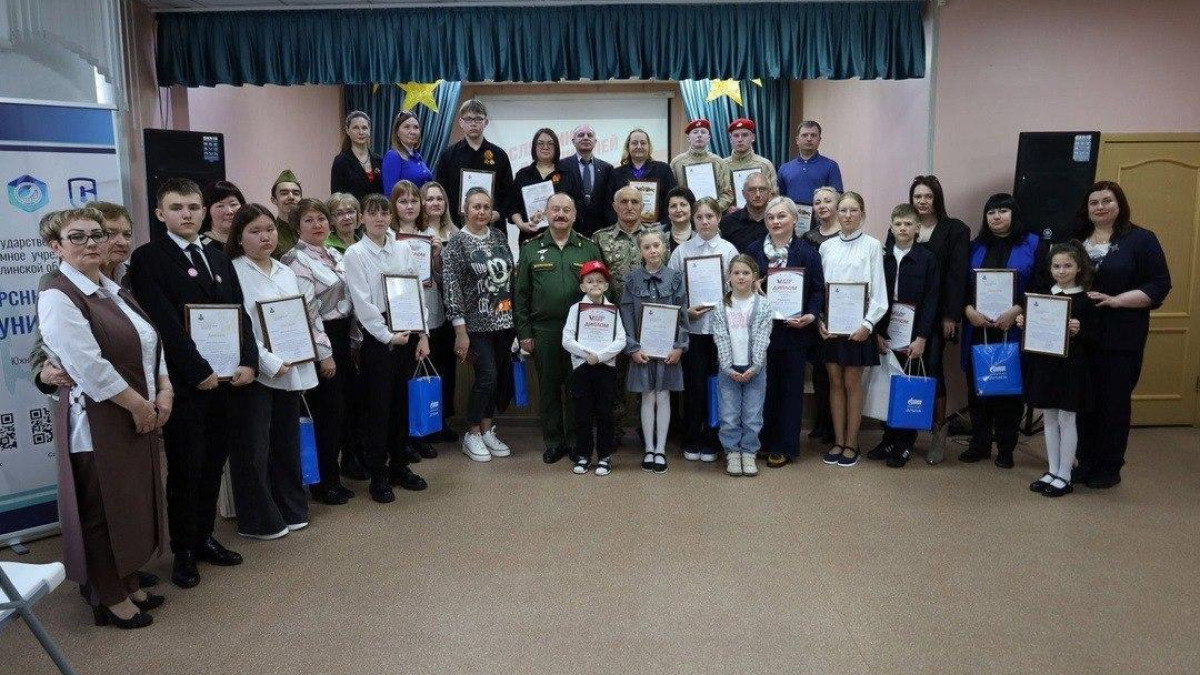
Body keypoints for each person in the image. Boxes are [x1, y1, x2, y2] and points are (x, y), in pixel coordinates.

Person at [37, 207, 168, 629]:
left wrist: (162, 390)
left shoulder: (110, 288)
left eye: (97, 234)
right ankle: (108, 595)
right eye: (77, 237)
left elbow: (148, 342)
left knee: (127, 504)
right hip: (97, 419)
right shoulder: (58, 294)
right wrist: (139, 405)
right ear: (56, 246)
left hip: (133, 409)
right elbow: (88, 366)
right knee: (101, 510)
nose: (92, 243)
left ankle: (126, 580)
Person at [128, 178, 257, 589]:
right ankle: (183, 549)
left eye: (193, 207)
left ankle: (204, 537)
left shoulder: (218, 257)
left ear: (203, 212)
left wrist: (249, 360)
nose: (187, 214)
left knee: (214, 463)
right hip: (187, 384)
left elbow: (239, 313)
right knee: (186, 468)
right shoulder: (148, 258)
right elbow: (163, 323)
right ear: (159, 213)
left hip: (225, 381)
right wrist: (197, 370)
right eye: (177, 207)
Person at [226, 204, 327, 539]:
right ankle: (258, 519)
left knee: (286, 442)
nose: (265, 236)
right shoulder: (233, 271)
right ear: (240, 237)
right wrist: (268, 361)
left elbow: (299, 317)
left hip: (292, 367)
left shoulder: (285, 270)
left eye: (269, 229)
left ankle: (291, 507)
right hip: (257, 371)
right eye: (255, 231)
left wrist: (304, 355)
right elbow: (240, 326)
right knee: (254, 448)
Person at [1073, 181, 1171, 489]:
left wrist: (1117, 301)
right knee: (1083, 402)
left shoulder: (1141, 239)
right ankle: (1083, 461)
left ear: (1120, 204)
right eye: (1094, 202)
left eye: (1107, 201)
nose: (1100, 207)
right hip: (1080, 335)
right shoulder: (1076, 241)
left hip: (1120, 336)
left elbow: (1159, 284)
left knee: (1112, 403)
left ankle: (1108, 467)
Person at [343, 193, 431, 502]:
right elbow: (362, 303)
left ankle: (399, 466)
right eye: (372, 213)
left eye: (383, 212)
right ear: (362, 218)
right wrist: (385, 336)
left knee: (400, 404)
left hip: (406, 329)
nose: (379, 218)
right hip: (377, 337)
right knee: (378, 408)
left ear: (390, 216)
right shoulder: (355, 254)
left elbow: (415, 291)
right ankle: (378, 474)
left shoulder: (403, 248)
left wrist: (422, 334)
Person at [887, 175, 971, 464]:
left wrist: (951, 315)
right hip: (900, 318)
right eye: (917, 196)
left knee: (932, 370)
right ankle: (900, 433)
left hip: (935, 315)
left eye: (928, 196)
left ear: (937, 199)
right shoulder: (901, 226)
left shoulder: (954, 229)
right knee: (900, 372)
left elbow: (956, 275)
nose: (922, 201)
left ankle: (937, 433)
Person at [514, 192, 603, 464]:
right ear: (546, 214)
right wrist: (525, 333)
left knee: (578, 388)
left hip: (581, 332)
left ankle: (576, 442)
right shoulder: (531, 248)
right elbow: (521, 295)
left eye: (566, 210)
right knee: (549, 389)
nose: (561, 214)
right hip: (545, 331)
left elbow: (602, 290)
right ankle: (554, 442)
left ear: (575, 215)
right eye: (555, 209)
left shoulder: (588, 248)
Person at [280, 198, 357, 505]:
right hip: (320, 342)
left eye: (322, 219)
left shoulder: (334, 253)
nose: (317, 225)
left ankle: (334, 475)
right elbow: (306, 311)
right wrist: (324, 354)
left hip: (342, 337)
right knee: (327, 414)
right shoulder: (295, 259)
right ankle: (323, 483)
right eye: (309, 220)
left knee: (342, 412)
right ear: (297, 226)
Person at [960, 193, 1044, 468]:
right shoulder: (975, 246)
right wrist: (968, 311)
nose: (996, 216)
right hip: (978, 328)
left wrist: (1017, 311)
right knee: (978, 389)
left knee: (1009, 391)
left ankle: (1006, 448)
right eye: (991, 212)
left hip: (1014, 328)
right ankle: (980, 443)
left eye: (1002, 211)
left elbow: (1042, 284)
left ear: (1013, 214)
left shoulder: (1033, 244)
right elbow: (960, 286)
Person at [747, 197, 824, 468]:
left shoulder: (808, 253)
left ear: (794, 219)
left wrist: (811, 315)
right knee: (764, 388)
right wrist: (752, 286)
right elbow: (739, 282)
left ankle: (785, 446)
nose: (775, 222)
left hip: (794, 332)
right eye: (770, 217)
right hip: (762, 332)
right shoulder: (754, 250)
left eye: (781, 216)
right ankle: (764, 441)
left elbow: (818, 289)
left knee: (790, 390)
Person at [1016, 241, 1096, 497]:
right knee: (1049, 417)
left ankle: (1065, 474)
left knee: (1067, 418)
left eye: (1068, 266)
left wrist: (1079, 330)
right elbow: (1037, 332)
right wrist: (1024, 323)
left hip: (1071, 367)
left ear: (1079, 267)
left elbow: (1096, 338)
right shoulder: (1042, 296)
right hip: (1046, 365)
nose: (1062, 271)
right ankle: (1052, 470)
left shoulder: (1086, 300)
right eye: (1057, 266)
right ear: (1050, 268)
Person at [443, 188, 517, 462]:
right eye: (476, 206)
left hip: (504, 321)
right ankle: (472, 433)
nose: (482, 211)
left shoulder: (498, 236)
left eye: (486, 206)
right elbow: (452, 289)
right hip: (475, 325)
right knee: (487, 376)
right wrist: (460, 331)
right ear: (465, 210)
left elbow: (509, 277)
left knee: (498, 378)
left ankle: (487, 429)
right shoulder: (456, 244)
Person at [816, 191, 887, 467]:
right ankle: (838, 440)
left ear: (862, 215)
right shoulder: (826, 247)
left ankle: (852, 442)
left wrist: (868, 325)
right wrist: (821, 320)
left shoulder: (872, 246)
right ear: (836, 214)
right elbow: (820, 289)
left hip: (859, 328)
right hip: (832, 327)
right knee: (834, 382)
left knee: (852, 383)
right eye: (843, 210)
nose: (847, 215)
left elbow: (879, 292)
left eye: (853, 210)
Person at [867, 204, 940, 468]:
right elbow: (873, 295)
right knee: (887, 386)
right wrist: (876, 332)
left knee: (908, 386)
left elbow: (932, 299)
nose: (903, 228)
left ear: (917, 228)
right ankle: (888, 438)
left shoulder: (928, 258)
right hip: (887, 329)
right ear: (891, 226)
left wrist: (922, 337)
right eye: (898, 224)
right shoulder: (882, 256)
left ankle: (904, 443)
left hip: (913, 331)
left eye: (908, 224)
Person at [668, 197, 738, 463]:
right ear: (693, 220)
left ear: (719, 218)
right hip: (693, 331)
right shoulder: (681, 252)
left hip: (720, 331)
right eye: (700, 217)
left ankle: (712, 438)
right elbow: (672, 291)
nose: (705, 221)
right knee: (694, 385)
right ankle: (692, 437)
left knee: (716, 384)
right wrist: (685, 311)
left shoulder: (729, 250)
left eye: (710, 216)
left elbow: (737, 288)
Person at [621, 229, 688, 474]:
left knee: (663, 396)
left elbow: (683, 314)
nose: (652, 251)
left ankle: (661, 449)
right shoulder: (631, 280)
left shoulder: (676, 278)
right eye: (647, 247)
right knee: (647, 396)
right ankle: (649, 448)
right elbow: (626, 314)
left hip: (667, 351)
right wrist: (632, 347)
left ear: (664, 247)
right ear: (640, 251)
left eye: (656, 245)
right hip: (642, 352)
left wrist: (679, 346)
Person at [595, 186, 660, 436]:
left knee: (648, 376)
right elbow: (596, 280)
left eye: (635, 201)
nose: (629, 206)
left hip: (648, 321)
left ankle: (648, 433)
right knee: (614, 378)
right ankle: (614, 432)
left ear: (643, 206)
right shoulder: (600, 238)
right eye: (624, 202)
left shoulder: (656, 236)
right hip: (613, 320)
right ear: (615, 206)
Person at [390, 179, 443, 459]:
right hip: (400, 312)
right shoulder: (388, 235)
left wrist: (436, 254)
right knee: (403, 377)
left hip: (426, 307)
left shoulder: (428, 233)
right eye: (403, 201)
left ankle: (421, 431)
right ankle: (404, 438)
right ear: (394, 205)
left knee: (422, 373)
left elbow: (438, 274)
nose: (409, 206)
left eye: (414, 201)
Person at [561, 261, 625, 476]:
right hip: (582, 367)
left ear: (606, 285)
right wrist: (587, 354)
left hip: (605, 367)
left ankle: (605, 456)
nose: (595, 285)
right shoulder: (575, 309)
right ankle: (583, 455)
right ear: (582, 286)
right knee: (583, 413)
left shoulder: (612, 310)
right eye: (589, 281)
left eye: (599, 281)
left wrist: (600, 356)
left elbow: (621, 340)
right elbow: (566, 340)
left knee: (606, 413)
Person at [711, 255, 773, 476]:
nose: (741, 277)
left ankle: (748, 452)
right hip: (728, 370)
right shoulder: (721, 306)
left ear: (754, 276)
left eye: (746, 273)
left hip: (755, 369)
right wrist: (728, 368)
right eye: (736, 273)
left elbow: (763, 338)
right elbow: (720, 338)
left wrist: (754, 367)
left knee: (752, 415)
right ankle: (732, 452)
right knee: (729, 415)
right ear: (729, 276)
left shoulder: (763, 305)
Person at [419, 181, 461, 442]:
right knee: (428, 366)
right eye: (429, 198)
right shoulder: (415, 234)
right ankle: (427, 421)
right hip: (427, 307)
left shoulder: (455, 233)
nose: (435, 203)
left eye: (439, 198)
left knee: (447, 367)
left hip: (450, 309)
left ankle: (443, 419)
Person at [434, 99, 515, 230]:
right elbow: (441, 191)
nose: (473, 124)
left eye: (478, 119)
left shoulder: (499, 155)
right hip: (456, 226)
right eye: (468, 119)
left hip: (492, 226)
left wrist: (499, 212)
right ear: (461, 122)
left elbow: (510, 192)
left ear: (485, 122)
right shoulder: (448, 155)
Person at [801, 186, 842, 443]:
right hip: (818, 309)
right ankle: (822, 421)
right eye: (817, 202)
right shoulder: (808, 237)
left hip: (842, 310)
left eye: (828, 201)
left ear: (837, 204)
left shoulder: (846, 235)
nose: (822, 205)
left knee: (836, 370)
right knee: (818, 368)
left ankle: (836, 426)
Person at [511, 128, 584, 243]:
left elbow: (577, 207)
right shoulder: (523, 175)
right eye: (540, 143)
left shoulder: (568, 174)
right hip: (530, 237)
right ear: (534, 147)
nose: (545, 147)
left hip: (563, 238)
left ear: (556, 148)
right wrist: (521, 224)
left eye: (550, 143)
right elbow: (513, 207)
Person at [606, 128, 677, 226]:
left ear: (649, 147)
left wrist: (663, 224)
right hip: (625, 229)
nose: (639, 146)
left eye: (643, 143)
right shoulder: (616, 173)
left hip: (657, 229)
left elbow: (672, 199)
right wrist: (620, 225)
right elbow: (609, 205)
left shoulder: (663, 169)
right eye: (634, 143)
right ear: (628, 147)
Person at [558, 124, 613, 237]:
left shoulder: (607, 169)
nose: (586, 137)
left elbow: (609, 202)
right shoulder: (561, 166)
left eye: (590, 135)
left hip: (599, 232)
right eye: (581, 135)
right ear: (573, 141)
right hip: (569, 230)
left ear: (595, 141)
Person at [669, 119, 734, 213]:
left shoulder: (719, 162)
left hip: (713, 216)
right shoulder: (676, 163)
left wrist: (713, 209)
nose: (699, 135)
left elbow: (727, 194)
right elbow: (672, 193)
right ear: (688, 138)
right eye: (695, 132)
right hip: (685, 215)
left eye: (703, 132)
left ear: (709, 138)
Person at [777, 121, 843, 208]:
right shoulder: (784, 168)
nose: (809, 139)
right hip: (791, 216)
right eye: (804, 135)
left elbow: (837, 198)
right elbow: (780, 199)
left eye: (813, 135)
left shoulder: (831, 166)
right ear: (797, 140)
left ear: (819, 140)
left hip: (821, 216)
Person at [329, 110, 383, 202]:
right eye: (356, 128)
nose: (361, 132)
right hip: (352, 210)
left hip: (377, 210)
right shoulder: (341, 161)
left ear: (369, 131)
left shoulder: (379, 160)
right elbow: (336, 197)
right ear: (347, 131)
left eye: (364, 128)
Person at [382, 110, 434, 196]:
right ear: (397, 132)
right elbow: (390, 194)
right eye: (407, 127)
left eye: (416, 127)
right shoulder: (393, 156)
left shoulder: (418, 157)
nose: (412, 132)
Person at [719, 171, 772, 253]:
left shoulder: (778, 222)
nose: (757, 194)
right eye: (752, 190)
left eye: (762, 189)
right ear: (743, 194)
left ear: (769, 193)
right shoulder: (727, 223)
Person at [723, 118, 778, 195]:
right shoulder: (722, 166)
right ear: (730, 139)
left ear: (753, 137)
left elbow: (773, 195)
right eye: (736, 136)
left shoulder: (765, 165)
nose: (740, 139)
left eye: (744, 135)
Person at [199, 180, 245, 253]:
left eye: (233, 204)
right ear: (206, 211)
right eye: (220, 206)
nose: (229, 211)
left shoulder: (250, 241)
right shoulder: (200, 245)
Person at [270, 170, 303, 257]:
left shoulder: (310, 229)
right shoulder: (270, 233)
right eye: (284, 193)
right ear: (274, 200)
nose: (291, 197)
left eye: (296, 193)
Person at [664, 186, 696, 253]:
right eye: (673, 206)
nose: (678, 210)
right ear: (668, 211)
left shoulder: (702, 233)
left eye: (683, 205)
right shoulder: (659, 234)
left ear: (691, 208)